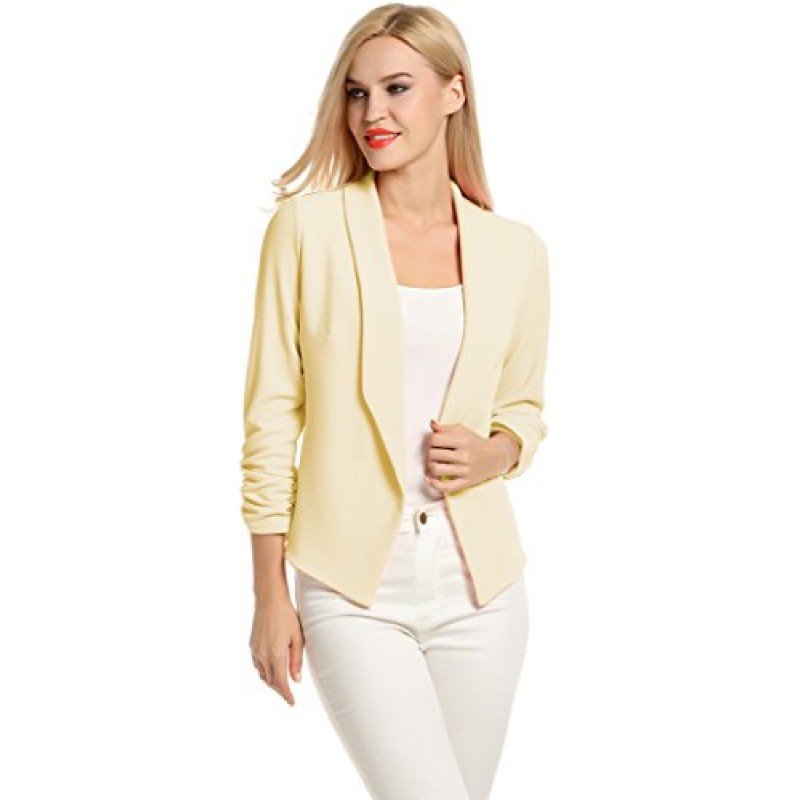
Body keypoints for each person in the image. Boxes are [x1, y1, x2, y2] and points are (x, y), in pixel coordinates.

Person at [240, 5, 551, 798]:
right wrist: (270, 593)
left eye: (397, 88)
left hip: (482, 589)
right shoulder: (306, 230)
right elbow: (271, 416)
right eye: (357, 92)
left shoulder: (514, 250)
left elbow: (523, 407)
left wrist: (495, 452)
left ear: (454, 93)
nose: (372, 112)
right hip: (353, 586)